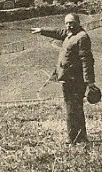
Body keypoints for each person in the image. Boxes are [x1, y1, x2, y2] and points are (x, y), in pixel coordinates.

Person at [32, 13, 95, 144]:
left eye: (71, 22)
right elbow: (58, 32)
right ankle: (74, 138)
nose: (69, 25)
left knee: (75, 109)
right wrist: (42, 31)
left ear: (78, 22)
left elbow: (86, 61)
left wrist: (90, 82)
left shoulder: (82, 37)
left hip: (76, 80)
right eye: (67, 23)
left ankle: (80, 138)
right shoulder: (69, 34)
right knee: (71, 109)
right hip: (67, 78)